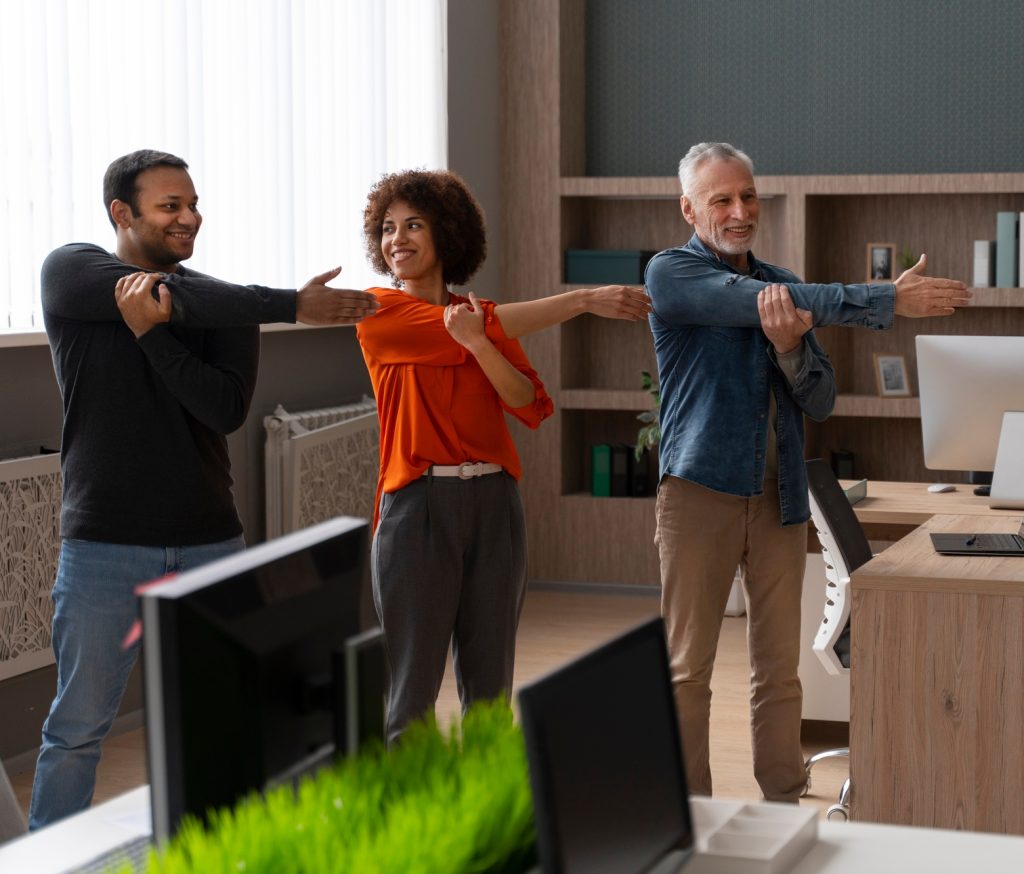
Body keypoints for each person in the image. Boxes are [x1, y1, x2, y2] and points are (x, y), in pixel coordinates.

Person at [30, 149, 378, 830]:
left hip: (210, 542)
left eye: (193, 204)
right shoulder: (70, 272)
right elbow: (166, 297)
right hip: (103, 545)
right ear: (121, 214)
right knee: (77, 729)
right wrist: (288, 303)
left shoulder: (224, 307)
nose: (189, 217)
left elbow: (223, 410)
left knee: (232, 720)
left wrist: (156, 341)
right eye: (170, 206)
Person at [645, 142, 969, 802]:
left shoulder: (786, 286)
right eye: (722, 200)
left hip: (779, 495)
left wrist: (791, 349)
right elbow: (754, 300)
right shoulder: (672, 275)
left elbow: (820, 398)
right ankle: (687, 812)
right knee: (687, 668)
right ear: (689, 208)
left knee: (779, 669)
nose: (740, 211)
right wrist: (884, 300)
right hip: (698, 492)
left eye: (749, 196)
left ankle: (784, 800)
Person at [355, 169, 651, 741]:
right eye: (388, 229)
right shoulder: (378, 312)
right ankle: (404, 820)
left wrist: (478, 345)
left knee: (490, 687)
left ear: (446, 232)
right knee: (411, 689)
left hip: (495, 503)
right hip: (417, 508)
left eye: (413, 224)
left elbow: (529, 404)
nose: (398, 239)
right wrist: (585, 298)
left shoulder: (480, 320)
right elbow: (465, 326)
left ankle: (484, 816)